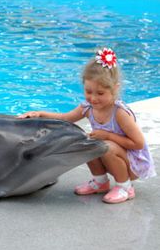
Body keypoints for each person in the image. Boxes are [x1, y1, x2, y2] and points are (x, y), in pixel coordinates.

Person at [18, 48, 156, 204]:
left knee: (106, 146)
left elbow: (138, 144)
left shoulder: (120, 113)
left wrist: (108, 136)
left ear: (115, 89)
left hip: (132, 165)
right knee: (85, 140)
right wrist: (39, 114)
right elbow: (65, 118)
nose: (93, 98)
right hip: (109, 156)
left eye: (100, 93)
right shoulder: (87, 107)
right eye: (88, 91)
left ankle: (124, 187)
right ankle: (100, 181)